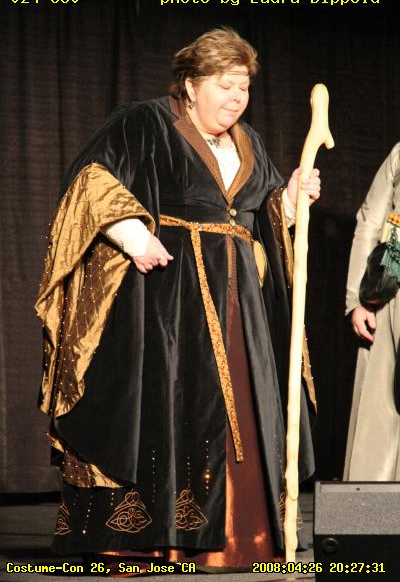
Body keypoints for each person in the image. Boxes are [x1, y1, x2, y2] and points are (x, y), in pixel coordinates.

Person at [35, 28, 320, 571]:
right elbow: (91, 183)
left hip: (238, 305)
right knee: (171, 402)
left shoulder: (248, 141)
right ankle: (156, 537)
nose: (236, 97)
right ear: (190, 85)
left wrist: (288, 200)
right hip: (168, 303)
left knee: (242, 404)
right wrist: (133, 235)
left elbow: (257, 215)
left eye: (243, 87)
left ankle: (241, 537)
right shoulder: (144, 123)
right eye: (224, 85)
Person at [344, 143, 400, 481]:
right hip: (392, 296)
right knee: (380, 418)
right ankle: (371, 510)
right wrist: (358, 298)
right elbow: (370, 222)